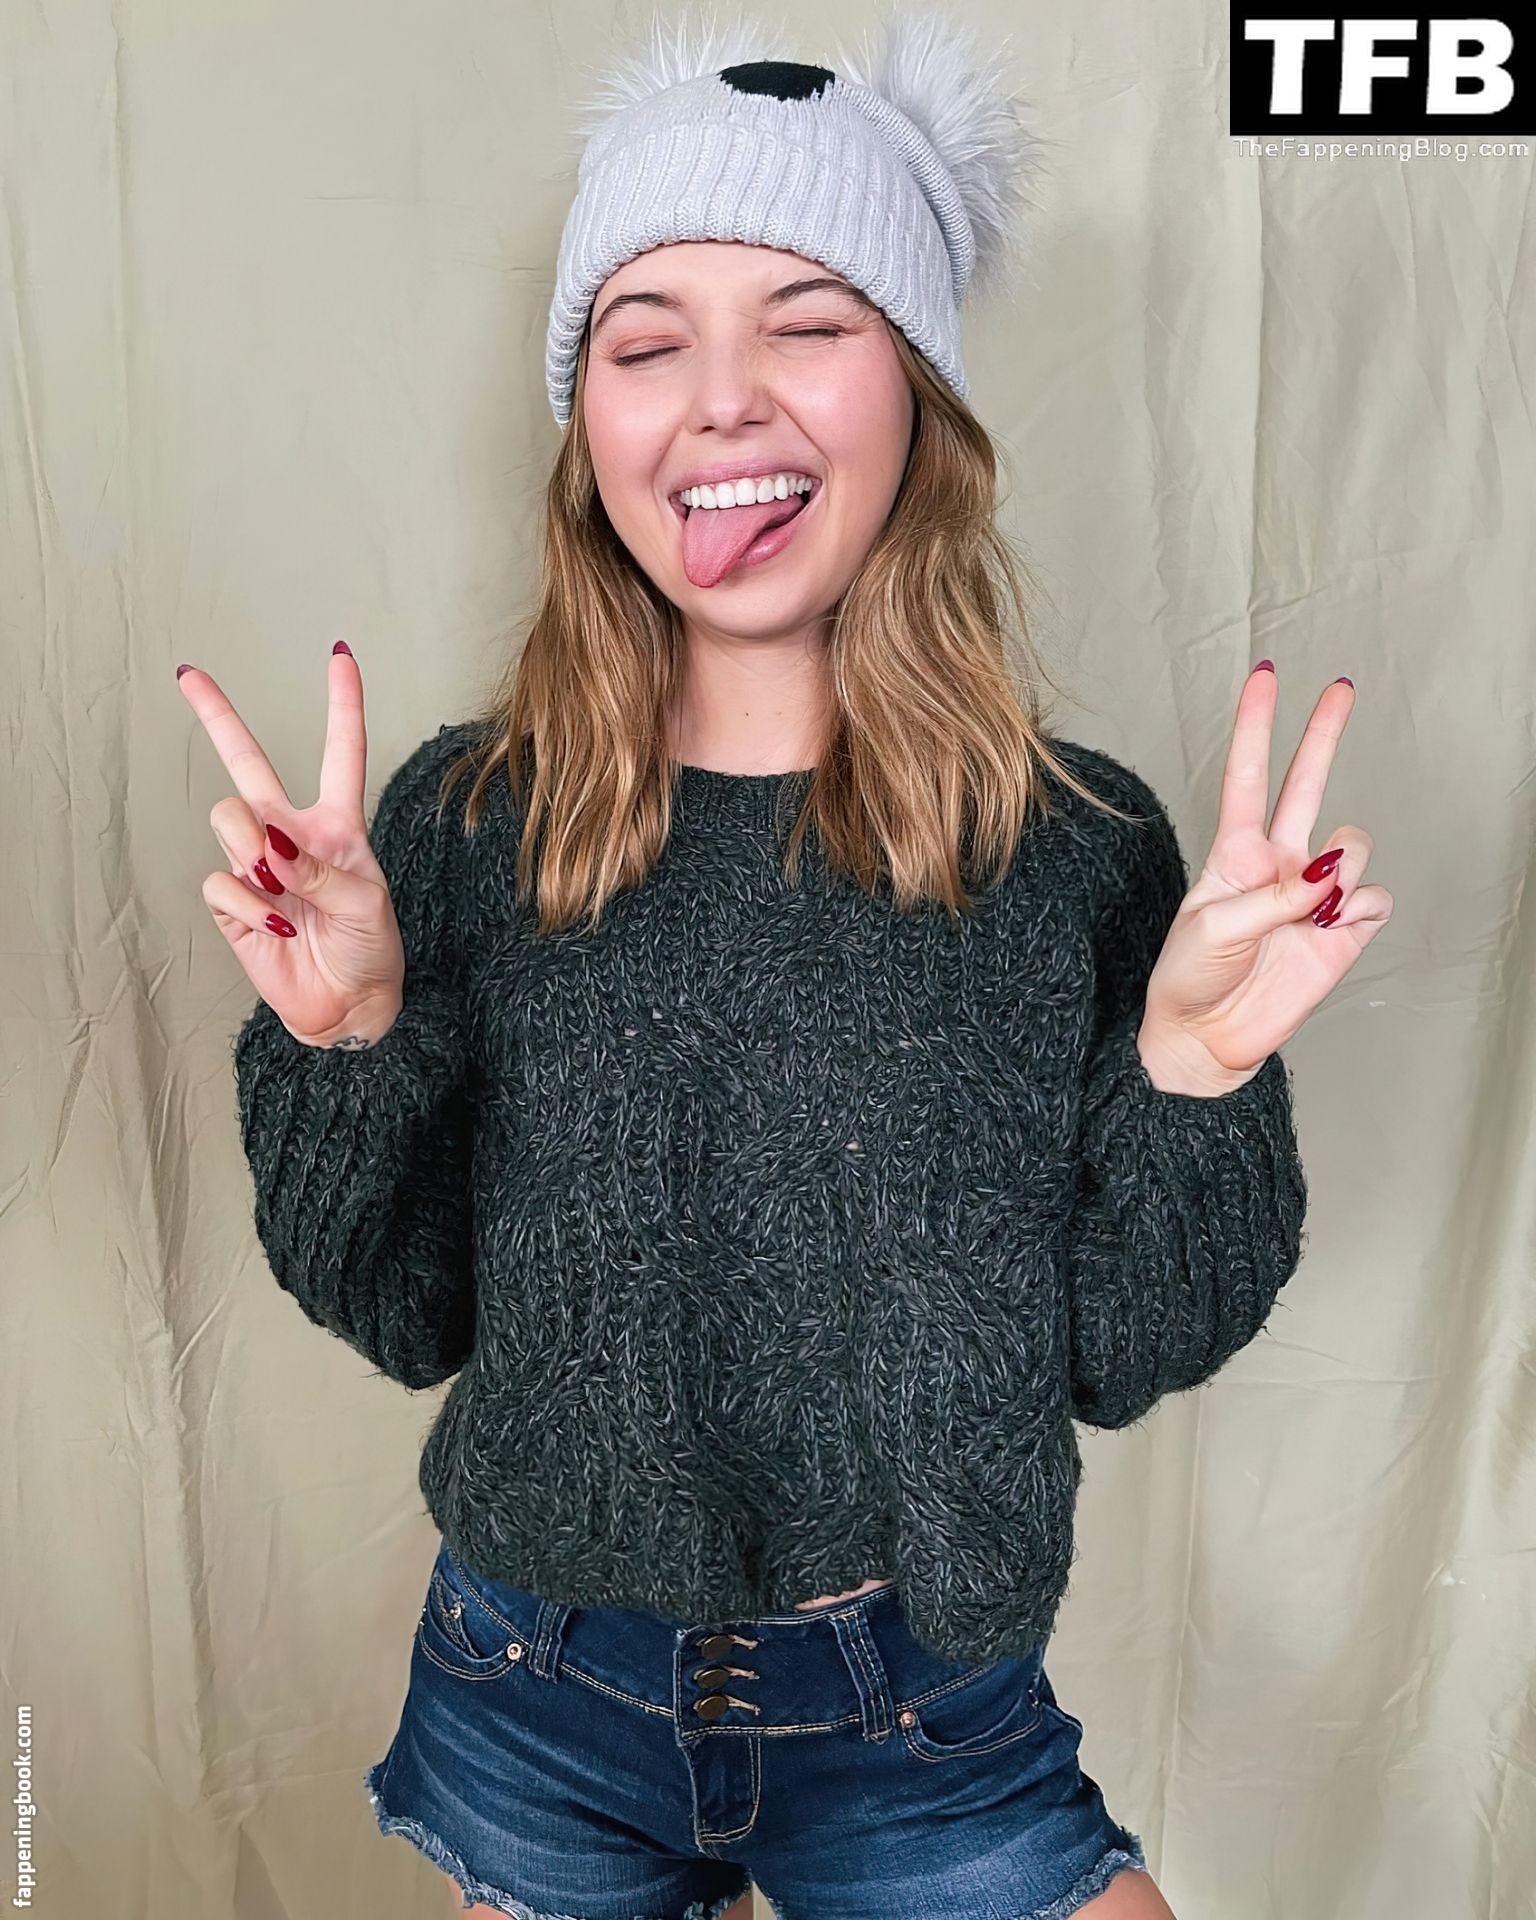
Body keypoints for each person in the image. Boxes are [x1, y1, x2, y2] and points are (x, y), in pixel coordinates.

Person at [180, 10, 1390, 1918]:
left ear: (919, 395)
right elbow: (405, 1315)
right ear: (589, 429)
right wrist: (350, 1045)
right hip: (536, 1700)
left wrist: (1194, 1081)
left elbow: (1118, 1356)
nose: (723, 401)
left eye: (808, 326)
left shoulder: (1078, 853)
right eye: (646, 342)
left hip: (923, 1725)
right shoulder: (464, 827)